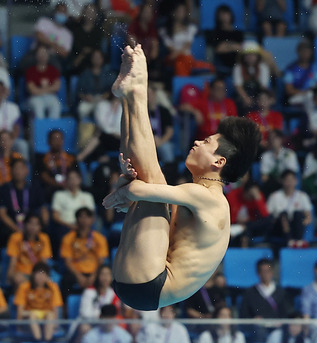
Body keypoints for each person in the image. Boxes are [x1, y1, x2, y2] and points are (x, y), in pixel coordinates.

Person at [102, 44, 261, 311]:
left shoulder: (208, 198)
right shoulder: (195, 194)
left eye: (207, 142)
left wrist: (127, 190)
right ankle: (128, 97)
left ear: (218, 162)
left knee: (153, 181)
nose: (198, 141)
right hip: (139, 280)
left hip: (152, 283)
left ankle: (137, 91)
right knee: (147, 181)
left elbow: (138, 192)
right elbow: (132, 195)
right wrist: (125, 188)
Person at [0, 158, 49, 248]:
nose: (18, 171)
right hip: (12, 225)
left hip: (32, 225)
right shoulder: (4, 189)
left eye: (21, 168)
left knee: (46, 233)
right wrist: (17, 229)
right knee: (4, 232)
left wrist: (40, 227)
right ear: (11, 171)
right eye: (15, 168)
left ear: (26, 170)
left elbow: (43, 209)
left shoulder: (35, 187)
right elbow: (2, 214)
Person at [60, 207, 109, 298]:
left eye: (87, 217)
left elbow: (101, 260)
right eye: (81, 217)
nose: (84, 220)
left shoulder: (99, 238)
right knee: (65, 280)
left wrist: (93, 276)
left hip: (94, 272)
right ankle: (65, 310)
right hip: (75, 273)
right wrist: (79, 276)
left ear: (92, 220)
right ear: (76, 219)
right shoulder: (68, 238)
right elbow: (68, 261)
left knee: (105, 278)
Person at [160, 2, 214, 77]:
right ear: (173, 12)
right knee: (180, 61)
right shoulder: (165, 30)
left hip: (183, 57)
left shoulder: (190, 28)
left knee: (183, 61)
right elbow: (171, 49)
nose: (181, 13)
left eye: (183, 11)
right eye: (179, 11)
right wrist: (175, 54)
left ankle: (182, 83)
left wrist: (175, 54)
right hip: (173, 59)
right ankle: (184, 83)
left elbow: (187, 45)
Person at [240, 259, 288, 341]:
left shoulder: (281, 292)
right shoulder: (250, 293)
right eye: (263, 271)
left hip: (276, 328)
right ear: (258, 273)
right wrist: (254, 320)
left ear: (272, 272)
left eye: (268, 271)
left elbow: (286, 313)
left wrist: (280, 322)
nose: (266, 274)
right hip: (257, 329)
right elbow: (244, 315)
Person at [15, 262, 63, 342]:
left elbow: (55, 310)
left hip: (46, 320)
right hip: (29, 320)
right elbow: (20, 313)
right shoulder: (24, 287)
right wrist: (22, 322)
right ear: (33, 275)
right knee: (32, 315)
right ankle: (38, 340)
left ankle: (47, 341)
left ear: (47, 276)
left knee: (50, 315)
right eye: (38, 274)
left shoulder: (53, 287)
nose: (41, 277)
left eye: (43, 274)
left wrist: (55, 324)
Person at [267, 170, 313, 247]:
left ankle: (298, 241)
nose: (289, 183)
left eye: (292, 180)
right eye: (287, 180)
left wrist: (302, 223)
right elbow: (268, 216)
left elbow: (308, 217)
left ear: (296, 181)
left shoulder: (302, 196)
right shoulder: (274, 196)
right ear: (282, 181)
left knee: (297, 214)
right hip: (279, 227)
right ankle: (290, 241)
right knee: (283, 214)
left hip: (297, 226)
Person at [6, 213, 52, 287]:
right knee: (18, 279)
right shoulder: (15, 238)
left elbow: (44, 262)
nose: (33, 227)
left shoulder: (44, 238)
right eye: (30, 223)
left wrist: (45, 278)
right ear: (25, 225)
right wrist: (10, 277)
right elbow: (13, 263)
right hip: (21, 273)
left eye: (36, 224)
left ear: (40, 227)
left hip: (37, 274)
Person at [226, 176, 272, 247]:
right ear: (244, 192)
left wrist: (258, 199)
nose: (251, 198)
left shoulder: (257, 197)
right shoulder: (232, 196)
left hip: (251, 226)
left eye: (253, 196)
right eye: (250, 195)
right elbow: (227, 216)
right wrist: (239, 221)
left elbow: (265, 215)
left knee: (268, 220)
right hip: (234, 225)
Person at [77, 97, 122, 163]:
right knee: (99, 139)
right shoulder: (103, 106)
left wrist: (113, 132)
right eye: (114, 101)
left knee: (98, 136)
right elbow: (102, 125)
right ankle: (103, 160)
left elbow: (121, 130)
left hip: (121, 140)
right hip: (108, 138)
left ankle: (80, 157)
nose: (115, 103)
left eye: (118, 101)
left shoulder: (124, 110)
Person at [76, 49, 115, 120]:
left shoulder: (108, 73)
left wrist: (106, 95)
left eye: (98, 57)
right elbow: (79, 92)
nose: (96, 60)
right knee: (81, 109)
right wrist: (85, 96)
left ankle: (100, 130)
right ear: (91, 59)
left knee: (103, 108)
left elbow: (112, 90)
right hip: (89, 100)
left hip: (103, 100)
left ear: (102, 59)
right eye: (94, 57)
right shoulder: (85, 74)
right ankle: (84, 127)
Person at [233, 41, 271, 114]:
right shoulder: (238, 67)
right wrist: (245, 98)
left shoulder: (263, 67)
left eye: (253, 55)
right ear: (243, 57)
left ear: (257, 56)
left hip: (257, 93)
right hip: (243, 94)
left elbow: (263, 86)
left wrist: (261, 99)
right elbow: (238, 86)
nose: (250, 57)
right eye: (247, 55)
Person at [26, 45, 62, 119]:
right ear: (36, 56)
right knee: (38, 105)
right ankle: (40, 129)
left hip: (50, 97)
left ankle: (52, 128)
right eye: (40, 54)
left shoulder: (53, 70)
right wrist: (48, 89)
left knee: (56, 104)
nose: (42, 56)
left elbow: (56, 87)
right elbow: (32, 90)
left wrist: (41, 89)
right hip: (35, 98)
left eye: (44, 53)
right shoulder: (30, 71)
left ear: (48, 56)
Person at [205, 5, 244, 74]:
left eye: (226, 14)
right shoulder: (215, 33)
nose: (224, 17)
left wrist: (226, 45)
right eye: (222, 15)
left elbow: (241, 48)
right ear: (218, 17)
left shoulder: (238, 33)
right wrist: (234, 46)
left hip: (238, 64)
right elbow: (219, 49)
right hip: (221, 64)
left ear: (231, 15)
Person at [283, 40, 317, 106]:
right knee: (308, 98)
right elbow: (289, 90)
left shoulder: (315, 68)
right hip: (296, 97)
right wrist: (305, 93)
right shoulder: (290, 69)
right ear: (298, 52)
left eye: (307, 52)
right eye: (303, 51)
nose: (305, 54)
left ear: (311, 53)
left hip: (313, 97)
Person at [260, 130, 300, 196]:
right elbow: (264, 177)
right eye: (270, 138)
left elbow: (291, 173)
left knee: (289, 181)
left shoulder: (290, 154)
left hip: (286, 182)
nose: (272, 140)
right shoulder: (265, 156)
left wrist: (283, 180)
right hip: (272, 185)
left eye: (275, 138)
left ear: (281, 139)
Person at [67, 3, 104, 75]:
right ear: (83, 13)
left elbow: (98, 46)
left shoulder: (98, 31)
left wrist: (88, 51)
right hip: (78, 56)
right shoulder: (76, 29)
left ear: (96, 14)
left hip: (93, 58)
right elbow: (75, 46)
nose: (89, 14)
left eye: (92, 12)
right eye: (87, 12)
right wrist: (83, 52)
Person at [39, 129, 77, 197]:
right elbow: (44, 176)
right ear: (49, 141)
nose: (57, 142)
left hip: (69, 189)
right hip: (51, 191)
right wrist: (59, 184)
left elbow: (76, 175)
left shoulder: (71, 158)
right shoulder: (43, 159)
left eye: (60, 139)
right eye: (54, 139)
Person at [148, 86, 175, 164]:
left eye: (150, 93)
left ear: (154, 94)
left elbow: (170, 131)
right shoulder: (141, 111)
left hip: (162, 140)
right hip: (147, 142)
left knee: (166, 148)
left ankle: (169, 173)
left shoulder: (164, 111)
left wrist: (161, 142)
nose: (148, 96)